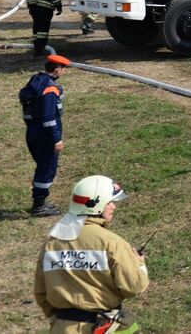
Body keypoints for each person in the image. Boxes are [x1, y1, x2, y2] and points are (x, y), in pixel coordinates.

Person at [35, 175, 148, 333]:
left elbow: (41, 293)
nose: (113, 207)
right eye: (109, 202)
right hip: (107, 327)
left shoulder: (51, 245)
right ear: (97, 205)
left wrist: (60, 322)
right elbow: (133, 287)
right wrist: (139, 264)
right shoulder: (112, 243)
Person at [21, 54, 70, 215]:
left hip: (32, 131)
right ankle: (39, 204)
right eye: (63, 69)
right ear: (57, 69)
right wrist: (56, 138)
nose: (63, 72)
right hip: (45, 134)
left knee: (42, 165)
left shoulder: (36, 80)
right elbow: (49, 117)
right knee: (47, 167)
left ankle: (39, 202)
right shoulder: (50, 88)